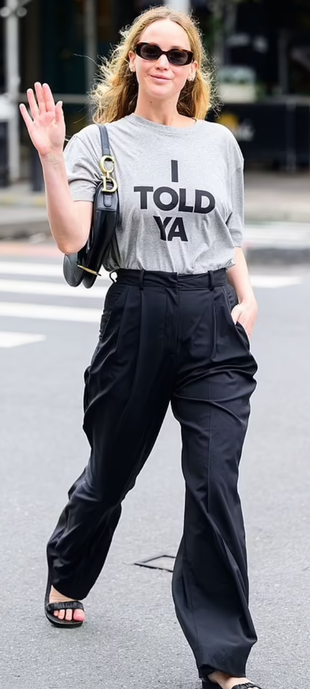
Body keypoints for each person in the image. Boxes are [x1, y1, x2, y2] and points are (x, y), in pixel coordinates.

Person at [20, 6, 261, 689]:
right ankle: (68, 567)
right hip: (138, 311)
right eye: (151, 50)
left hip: (213, 316)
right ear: (133, 59)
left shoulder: (220, 145)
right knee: (112, 471)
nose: (164, 62)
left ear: (192, 70)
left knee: (216, 481)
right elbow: (72, 240)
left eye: (179, 55)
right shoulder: (99, 143)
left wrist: (245, 295)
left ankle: (222, 659)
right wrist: (48, 156)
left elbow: (230, 229)